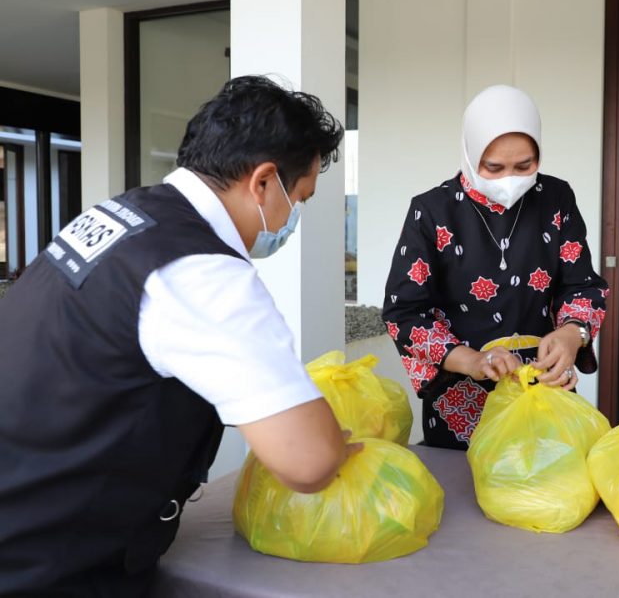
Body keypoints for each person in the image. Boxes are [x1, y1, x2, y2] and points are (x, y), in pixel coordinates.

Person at [0, 76, 360, 596]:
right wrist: (339, 442)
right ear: (262, 183)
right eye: (298, 198)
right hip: (48, 562)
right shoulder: (201, 272)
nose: (292, 218)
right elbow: (308, 462)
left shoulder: (118, 216)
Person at [382, 85, 609, 449]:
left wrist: (572, 334)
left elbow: (581, 286)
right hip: (461, 406)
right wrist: (471, 360)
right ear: (470, 154)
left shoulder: (556, 199)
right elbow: (405, 313)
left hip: (544, 391)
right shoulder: (432, 211)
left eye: (524, 166)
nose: (510, 179)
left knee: (548, 492)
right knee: (465, 495)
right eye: (493, 167)